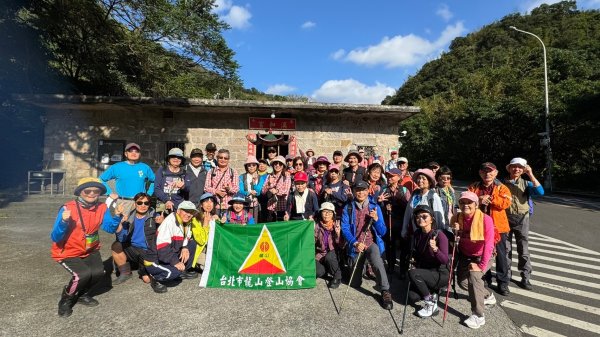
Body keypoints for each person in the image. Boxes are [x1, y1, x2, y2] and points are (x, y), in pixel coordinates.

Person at [50, 178, 123, 317]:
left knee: (98, 273)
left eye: (96, 191)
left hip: (90, 248)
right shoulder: (67, 208)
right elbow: (55, 237)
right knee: (82, 275)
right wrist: (64, 222)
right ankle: (66, 300)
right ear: (80, 192)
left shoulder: (102, 208)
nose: (92, 193)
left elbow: (108, 228)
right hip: (68, 251)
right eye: (87, 191)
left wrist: (117, 217)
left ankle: (82, 294)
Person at [341, 180, 392, 310]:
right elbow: (345, 228)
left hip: (370, 243)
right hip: (356, 245)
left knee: (377, 262)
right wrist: (355, 243)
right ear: (353, 191)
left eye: (363, 190)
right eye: (358, 190)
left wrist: (376, 220)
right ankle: (359, 266)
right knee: (355, 283)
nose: (361, 192)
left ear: (368, 191)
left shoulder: (375, 207)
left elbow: (383, 231)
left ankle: (385, 291)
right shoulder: (348, 207)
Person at [452, 191, 496, 329]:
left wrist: (481, 266)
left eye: (469, 202)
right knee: (462, 283)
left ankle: (478, 315)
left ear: (476, 204)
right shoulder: (456, 217)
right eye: (462, 202)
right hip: (465, 254)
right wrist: (455, 232)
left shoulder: (485, 219)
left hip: (482, 255)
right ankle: (487, 295)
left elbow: (489, 244)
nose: (466, 205)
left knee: (474, 277)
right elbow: (455, 239)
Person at [468, 162, 512, 296]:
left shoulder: (502, 188)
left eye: (490, 171)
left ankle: (503, 283)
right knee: (481, 254)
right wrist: (478, 200)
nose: (487, 174)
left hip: (498, 227)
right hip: (478, 226)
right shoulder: (473, 187)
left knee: (501, 256)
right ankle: (485, 279)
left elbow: (506, 203)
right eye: (484, 171)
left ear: (496, 173)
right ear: (480, 173)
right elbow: (465, 201)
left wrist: (491, 199)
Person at [110, 193, 167, 293]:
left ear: (149, 204)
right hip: (132, 248)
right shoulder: (129, 217)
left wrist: (162, 223)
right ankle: (125, 273)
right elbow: (121, 238)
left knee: (146, 279)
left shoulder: (154, 216)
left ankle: (146, 273)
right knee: (116, 245)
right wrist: (120, 224)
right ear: (135, 204)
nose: (143, 205)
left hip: (147, 251)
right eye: (140, 203)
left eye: (146, 203)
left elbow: (165, 235)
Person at [504, 157, 544, 290]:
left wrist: (530, 174)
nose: (516, 169)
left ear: (523, 169)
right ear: (509, 168)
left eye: (520, 167)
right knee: (505, 249)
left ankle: (525, 277)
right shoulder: (501, 184)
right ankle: (506, 275)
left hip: (522, 219)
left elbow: (540, 192)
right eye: (514, 166)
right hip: (505, 218)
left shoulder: (527, 184)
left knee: (523, 249)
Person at [401, 168, 445, 277]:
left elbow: (439, 217)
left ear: (430, 181)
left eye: (424, 178)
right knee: (411, 253)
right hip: (415, 232)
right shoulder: (415, 194)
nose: (420, 180)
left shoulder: (433, 196)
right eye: (419, 178)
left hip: (428, 233)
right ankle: (410, 276)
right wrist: (404, 229)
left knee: (426, 256)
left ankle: (425, 278)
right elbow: (408, 213)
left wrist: (439, 235)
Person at [408, 205, 449, 318]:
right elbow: (416, 254)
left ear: (432, 219)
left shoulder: (439, 235)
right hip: (425, 271)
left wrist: (436, 249)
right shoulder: (417, 234)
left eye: (424, 216)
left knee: (413, 274)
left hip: (440, 273)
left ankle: (431, 303)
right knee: (412, 297)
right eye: (418, 217)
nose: (420, 219)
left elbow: (445, 260)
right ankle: (433, 292)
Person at [99, 142, 155, 220]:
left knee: (139, 228)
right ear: (126, 153)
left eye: (136, 151)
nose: (134, 153)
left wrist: (148, 194)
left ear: (139, 154)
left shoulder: (145, 167)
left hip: (140, 203)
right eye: (131, 151)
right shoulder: (117, 167)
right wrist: (109, 192)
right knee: (121, 229)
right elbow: (101, 179)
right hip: (123, 202)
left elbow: (154, 181)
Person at [151, 201, 200, 286]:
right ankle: (155, 277)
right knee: (175, 273)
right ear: (178, 211)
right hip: (156, 258)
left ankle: (180, 270)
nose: (189, 215)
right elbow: (163, 249)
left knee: (191, 244)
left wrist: (185, 247)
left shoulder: (187, 222)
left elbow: (187, 237)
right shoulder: (170, 222)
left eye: (191, 213)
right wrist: (176, 262)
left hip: (171, 252)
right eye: (186, 211)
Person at [380, 168, 410, 273]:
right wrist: (382, 204)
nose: (389, 178)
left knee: (403, 247)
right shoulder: (383, 189)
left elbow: (408, 207)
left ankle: (403, 269)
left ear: (398, 177)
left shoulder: (405, 190)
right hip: (389, 222)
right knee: (390, 245)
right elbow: (379, 207)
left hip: (402, 222)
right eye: (388, 176)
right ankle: (391, 266)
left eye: (392, 176)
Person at [204, 149, 239, 216]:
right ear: (217, 158)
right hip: (215, 206)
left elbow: (236, 189)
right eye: (221, 158)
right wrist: (217, 191)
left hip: (229, 206)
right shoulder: (211, 171)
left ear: (228, 160)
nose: (223, 160)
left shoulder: (233, 172)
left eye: (225, 158)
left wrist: (229, 189)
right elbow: (206, 188)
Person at [315, 202, 342, 288]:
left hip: (333, 253)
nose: (327, 214)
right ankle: (326, 270)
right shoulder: (317, 226)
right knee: (318, 272)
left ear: (333, 214)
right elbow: (312, 242)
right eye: (324, 211)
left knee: (329, 257)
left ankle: (338, 276)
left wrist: (338, 234)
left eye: (330, 212)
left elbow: (341, 245)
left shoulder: (337, 225)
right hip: (320, 253)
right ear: (320, 213)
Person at [191, 193, 219, 270]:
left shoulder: (215, 218)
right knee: (211, 267)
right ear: (201, 205)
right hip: (201, 250)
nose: (209, 204)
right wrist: (205, 225)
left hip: (213, 249)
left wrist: (220, 222)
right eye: (206, 201)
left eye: (211, 201)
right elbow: (201, 241)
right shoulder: (195, 220)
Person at [154, 148, 186, 212]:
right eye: (173, 157)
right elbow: (156, 188)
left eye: (179, 157)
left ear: (181, 160)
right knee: (161, 221)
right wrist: (166, 200)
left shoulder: (184, 173)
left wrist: (183, 186)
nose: (176, 159)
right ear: (169, 159)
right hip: (162, 204)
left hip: (178, 206)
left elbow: (188, 189)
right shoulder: (161, 170)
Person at [261, 155, 292, 222]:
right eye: (276, 163)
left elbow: (286, 190)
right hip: (270, 207)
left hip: (282, 207)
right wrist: (269, 184)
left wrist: (276, 191)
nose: (277, 165)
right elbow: (263, 191)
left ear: (283, 166)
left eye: (280, 164)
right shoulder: (269, 176)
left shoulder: (286, 175)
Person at [239, 155, 266, 222]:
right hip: (243, 203)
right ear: (246, 166)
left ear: (256, 166)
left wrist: (254, 184)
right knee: (243, 222)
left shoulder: (260, 178)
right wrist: (248, 192)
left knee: (253, 222)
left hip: (254, 205)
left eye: (253, 165)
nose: (251, 167)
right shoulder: (241, 177)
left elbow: (258, 191)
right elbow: (240, 190)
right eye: (249, 165)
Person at [435, 166, 459, 231]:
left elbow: (454, 206)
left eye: (448, 178)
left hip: (451, 221)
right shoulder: (435, 192)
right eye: (443, 178)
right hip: (441, 222)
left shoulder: (451, 191)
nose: (445, 180)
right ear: (438, 178)